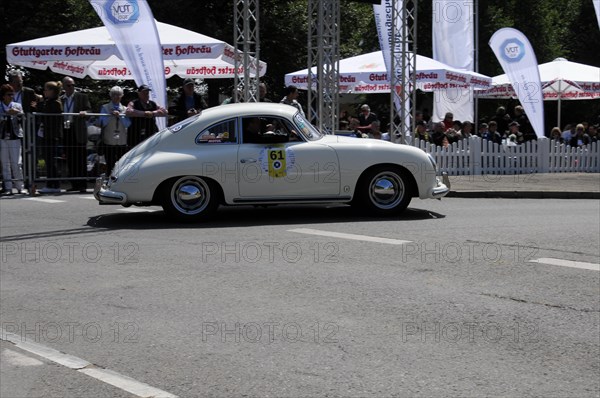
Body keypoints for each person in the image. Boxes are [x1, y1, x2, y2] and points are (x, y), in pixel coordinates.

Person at [61, 77, 91, 192]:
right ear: (63, 86)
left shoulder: (82, 97)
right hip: (66, 130)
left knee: (80, 158)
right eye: (68, 85)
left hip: (78, 130)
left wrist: (85, 112)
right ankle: (74, 184)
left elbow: (89, 111)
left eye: (72, 85)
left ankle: (82, 184)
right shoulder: (62, 99)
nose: (71, 87)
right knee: (70, 158)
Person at [37, 81, 64, 194]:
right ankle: (52, 183)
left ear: (52, 91)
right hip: (47, 135)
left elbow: (45, 115)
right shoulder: (50, 102)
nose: (44, 92)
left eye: (46, 89)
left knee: (50, 161)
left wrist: (41, 104)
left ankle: (53, 184)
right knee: (48, 160)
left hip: (51, 135)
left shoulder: (55, 103)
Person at [98, 86, 131, 174]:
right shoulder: (104, 107)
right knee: (110, 164)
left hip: (122, 141)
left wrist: (120, 116)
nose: (116, 97)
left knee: (121, 164)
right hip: (109, 141)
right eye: (114, 95)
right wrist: (110, 115)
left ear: (122, 96)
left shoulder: (125, 109)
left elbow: (127, 124)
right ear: (111, 96)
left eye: (119, 95)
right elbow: (102, 123)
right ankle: (109, 182)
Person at [0, 84, 25, 195]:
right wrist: (5, 113)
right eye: (9, 94)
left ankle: (20, 187)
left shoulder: (17, 105)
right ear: (3, 96)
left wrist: (18, 113)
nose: (11, 96)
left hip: (15, 137)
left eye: (12, 94)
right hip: (2, 137)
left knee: (17, 163)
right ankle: (8, 188)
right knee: (5, 164)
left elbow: (24, 118)